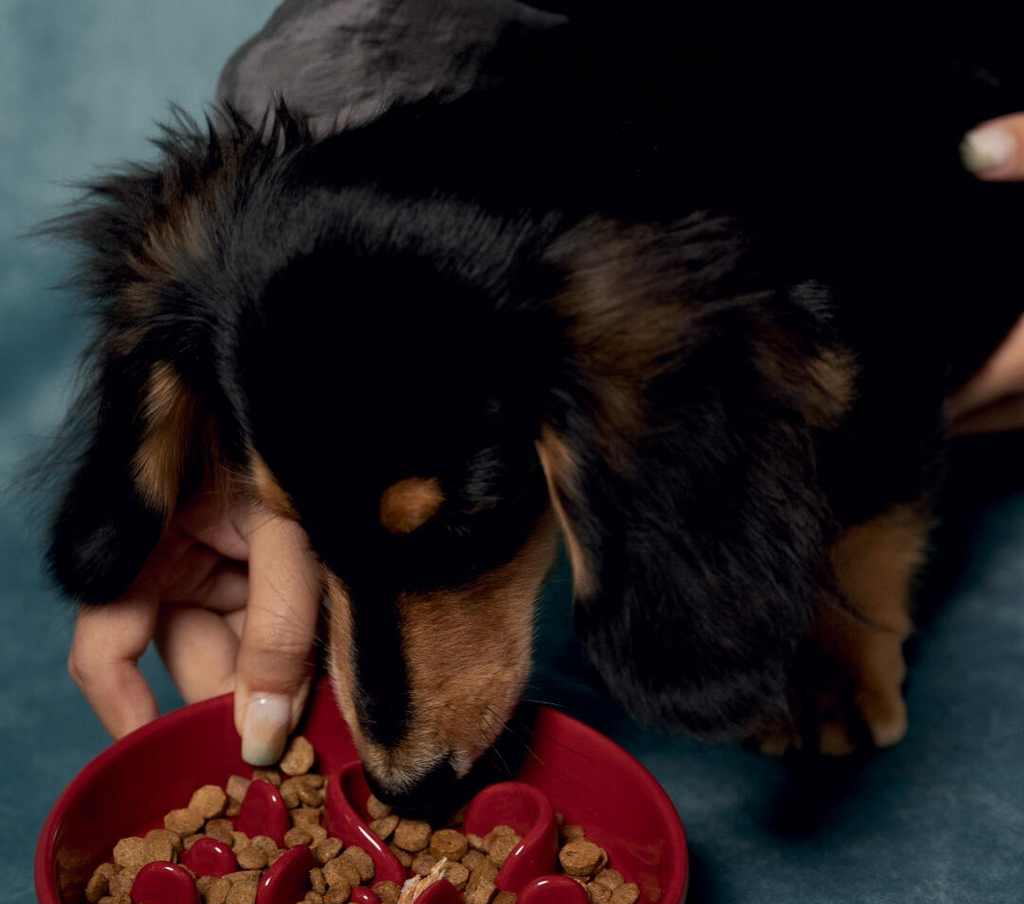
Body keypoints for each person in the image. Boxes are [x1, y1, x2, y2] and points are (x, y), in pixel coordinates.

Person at [65, 114, 1024, 766]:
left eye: (453, 531)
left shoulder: (685, 331)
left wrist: (836, 629)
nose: (389, 740)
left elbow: (880, 408)